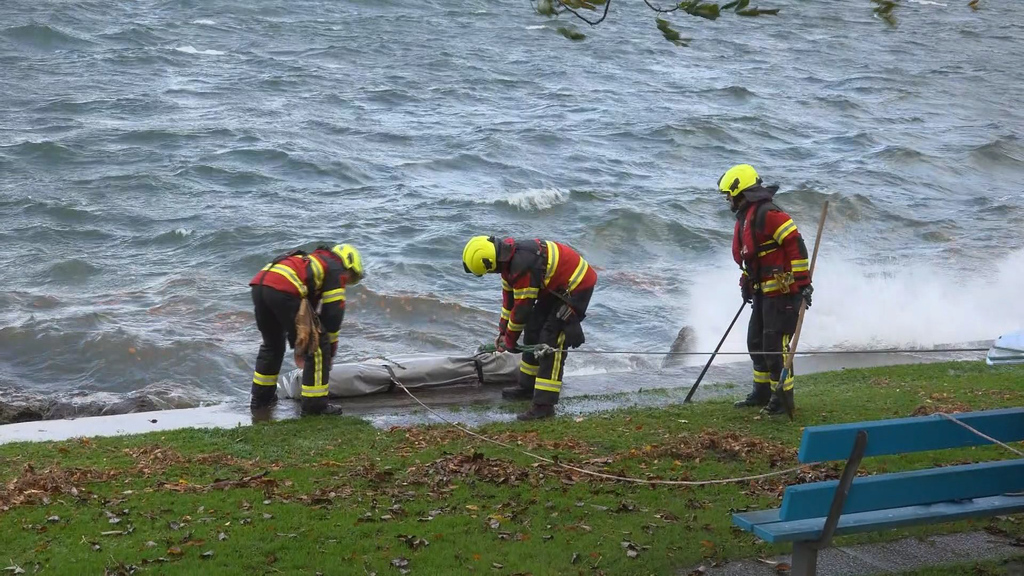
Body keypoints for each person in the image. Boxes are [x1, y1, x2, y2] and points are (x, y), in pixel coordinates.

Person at [462, 236, 597, 420]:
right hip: (556, 288)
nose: (491, 273)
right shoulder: (508, 264)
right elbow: (509, 303)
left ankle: (544, 405)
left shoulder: (522, 267)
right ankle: (527, 386)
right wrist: (503, 332)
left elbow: (522, 311)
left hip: (576, 287)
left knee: (551, 340)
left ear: (489, 263)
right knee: (533, 328)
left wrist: (510, 340)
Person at [718, 165, 813, 416]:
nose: (728, 199)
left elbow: (796, 247)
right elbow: (755, 258)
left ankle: (782, 398)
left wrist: (802, 285)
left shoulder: (769, 215)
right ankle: (761, 393)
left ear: (741, 192)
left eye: (729, 194)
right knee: (756, 342)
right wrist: (746, 282)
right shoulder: (746, 217)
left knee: (774, 346)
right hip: (762, 294)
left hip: (782, 294)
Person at [248, 243, 364, 416]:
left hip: (260, 285)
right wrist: (330, 349)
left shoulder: (312, 261)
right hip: (283, 288)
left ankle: (261, 399)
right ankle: (315, 405)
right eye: (351, 276)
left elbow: (305, 312)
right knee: (318, 345)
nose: (347, 281)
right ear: (348, 264)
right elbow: (333, 314)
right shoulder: (334, 269)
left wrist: (299, 340)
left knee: (272, 346)